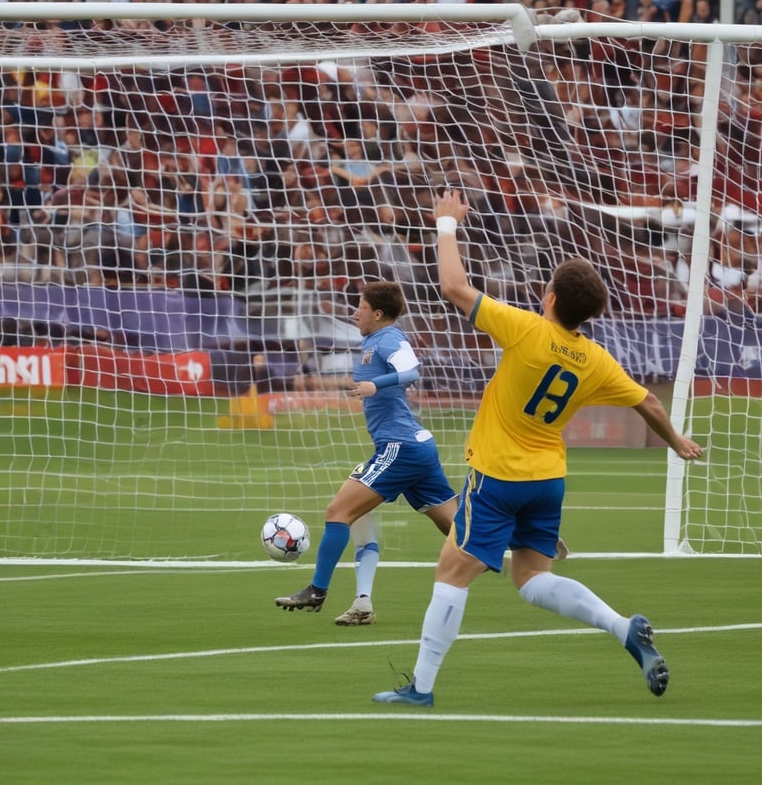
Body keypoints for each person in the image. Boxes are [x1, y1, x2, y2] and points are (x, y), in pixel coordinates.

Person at [373, 189, 703, 707]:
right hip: (547, 480)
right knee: (531, 578)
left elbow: (453, 286)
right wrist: (677, 441)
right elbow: (650, 406)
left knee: (452, 570)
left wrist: (445, 224)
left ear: (548, 299)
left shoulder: (525, 330)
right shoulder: (595, 359)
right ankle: (623, 627)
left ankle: (421, 687)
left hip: (498, 475)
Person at [274, 280, 459, 625]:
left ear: (377, 313)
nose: (354, 311)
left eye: (359, 306)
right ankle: (362, 603)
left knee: (338, 511)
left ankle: (317, 589)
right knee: (461, 531)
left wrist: (378, 384)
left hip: (399, 447)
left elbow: (412, 371)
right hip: (416, 447)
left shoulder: (390, 338)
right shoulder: (373, 340)